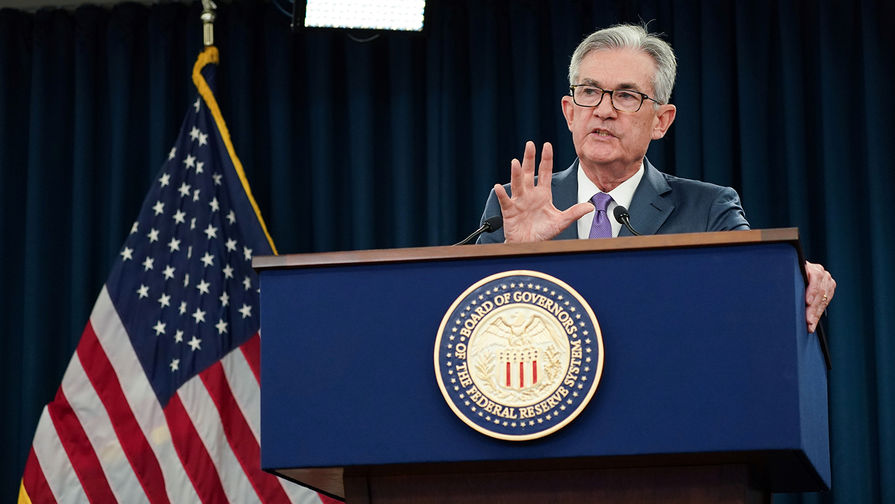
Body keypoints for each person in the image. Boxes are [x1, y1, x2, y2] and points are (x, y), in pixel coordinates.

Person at [476, 24, 835, 333]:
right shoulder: (513, 204)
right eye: (589, 92)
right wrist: (515, 255)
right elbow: (480, 322)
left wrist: (794, 276)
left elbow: (756, 282)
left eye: (626, 96)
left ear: (661, 121)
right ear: (570, 112)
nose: (604, 110)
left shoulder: (708, 209)